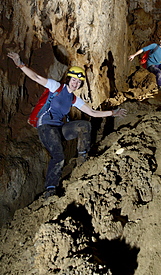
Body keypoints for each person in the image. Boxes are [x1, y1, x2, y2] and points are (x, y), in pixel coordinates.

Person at [7, 51, 127, 199]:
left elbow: (92, 112)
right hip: (46, 127)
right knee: (58, 156)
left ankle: (82, 159)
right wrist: (20, 64)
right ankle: (50, 189)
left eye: (78, 82)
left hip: (59, 128)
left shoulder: (73, 98)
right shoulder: (56, 87)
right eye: (73, 80)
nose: (75, 83)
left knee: (84, 125)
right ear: (68, 78)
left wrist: (112, 113)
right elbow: (36, 77)